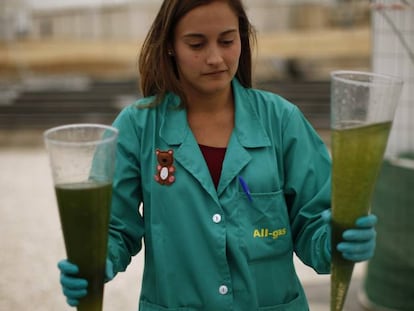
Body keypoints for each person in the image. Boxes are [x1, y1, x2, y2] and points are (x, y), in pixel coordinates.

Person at [58, 1, 377, 310]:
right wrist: (94, 262)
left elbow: (315, 225)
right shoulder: (138, 127)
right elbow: (112, 228)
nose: (215, 58)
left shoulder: (281, 122)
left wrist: (338, 241)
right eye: (196, 44)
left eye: (227, 41)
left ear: (241, 36)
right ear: (170, 45)